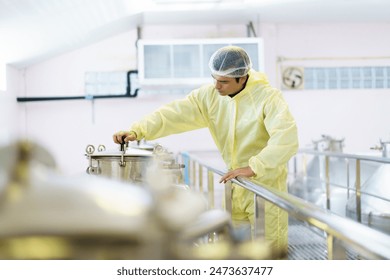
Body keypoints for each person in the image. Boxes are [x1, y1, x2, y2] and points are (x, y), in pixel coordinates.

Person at [113, 46, 298, 252]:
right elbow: (173, 114)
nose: (217, 86)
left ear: (242, 78)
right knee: (236, 250)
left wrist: (255, 167)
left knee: (270, 251)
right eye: (214, 79)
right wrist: (138, 130)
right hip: (235, 184)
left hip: (266, 187)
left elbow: (286, 138)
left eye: (224, 82)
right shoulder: (209, 97)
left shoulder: (268, 98)